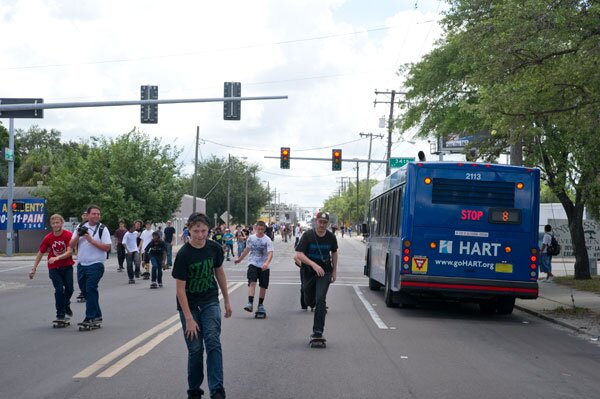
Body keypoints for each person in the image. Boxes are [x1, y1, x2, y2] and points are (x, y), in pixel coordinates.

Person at [172, 212, 231, 399]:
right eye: (196, 231)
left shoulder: (214, 248)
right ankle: (194, 390)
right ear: (189, 230)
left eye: (204, 231)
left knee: (213, 342)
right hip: (188, 305)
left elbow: (219, 272)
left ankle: (217, 390)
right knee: (196, 349)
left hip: (210, 301)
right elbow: (180, 289)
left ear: (208, 230)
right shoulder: (183, 254)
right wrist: (189, 318)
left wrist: (227, 300)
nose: (200, 235)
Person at [295, 211, 338, 342]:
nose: (322, 225)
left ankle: (318, 331)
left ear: (328, 224)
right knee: (309, 300)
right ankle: (310, 301)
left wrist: (334, 271)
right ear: (316, 222)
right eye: (320, 222)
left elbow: (334, 253)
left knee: (321, 299)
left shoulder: (331, 237)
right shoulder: (308, 235)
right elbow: (299, 254)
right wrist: (313, 265)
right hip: (308, 271)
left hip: (324, 272)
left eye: (325, 223)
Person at [69, 205, 111, 327]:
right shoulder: (80, 227)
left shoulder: (103, 229)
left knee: (91, 288)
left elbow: (107, 247)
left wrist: (90, 239)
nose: (97, 216)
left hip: (96, 264)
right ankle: (97, 315)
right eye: (94, 214)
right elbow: (71, 244)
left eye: (98, 214)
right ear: (87, 215)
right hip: (82, 264)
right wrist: (78, 235)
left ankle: (90, 317)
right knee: (85, 291)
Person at [29, 214, 75, 322]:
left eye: (57, 223)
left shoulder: (68, 235)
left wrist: (57, 257)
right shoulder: (48, 238)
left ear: (62, 223)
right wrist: (34, 268)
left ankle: (66, 304)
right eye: (53, 223)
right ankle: (60, 314)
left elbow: (69, 252)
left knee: (70, 289)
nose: (55, 225)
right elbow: (40, 253)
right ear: (51, 224)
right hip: (54, 267)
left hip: (67, 266)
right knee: (59, 290)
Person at [235, 221, 273, 314]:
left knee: (263, 286)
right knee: (252, 282)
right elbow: (247, 249)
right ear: (256, 228)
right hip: (253, 263)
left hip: (264, 266)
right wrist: (240, 259)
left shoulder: (267, 240)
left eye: (262, 229)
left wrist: (266, 263)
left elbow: (270, 253)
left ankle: (260, 305)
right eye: (258, 229)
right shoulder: (251, 238)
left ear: (264, 229)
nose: (260, 231)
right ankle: (250, 303)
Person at [75, 210, 89, 302]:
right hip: (81, 254)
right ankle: (83, 291)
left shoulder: (93, 226)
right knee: (81, 276)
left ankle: (86, 292)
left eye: (86, 215)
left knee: (89, 276)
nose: (84, 216)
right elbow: (74, 239)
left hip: (91, 254)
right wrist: (76, 251)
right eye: (83, 215)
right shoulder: (79, 226)